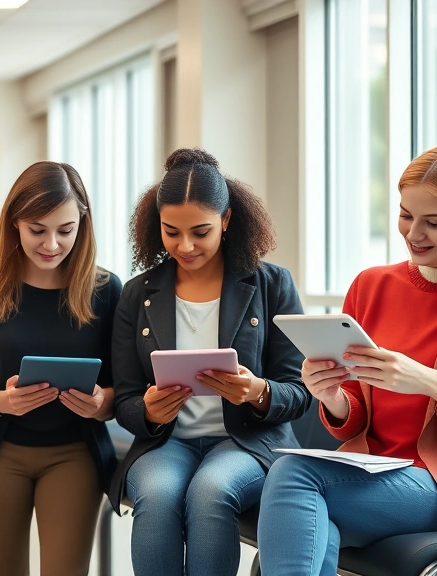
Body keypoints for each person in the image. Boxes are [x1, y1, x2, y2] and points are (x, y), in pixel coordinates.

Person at [257, 145, 437, 576]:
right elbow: (355, 417)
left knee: (295, 476)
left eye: (434, 222)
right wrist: (331, 397)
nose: (413, 233)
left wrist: (435, 384)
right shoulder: (371, 285)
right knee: (313, 520)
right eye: (406, 215)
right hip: (373, 470)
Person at [111, 148, 311, 576]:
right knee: (159, 495)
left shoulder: (272, 284)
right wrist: (146, 410)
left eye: (200, 231)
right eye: (171, 232)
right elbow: (125, 398)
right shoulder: (137, 293)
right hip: (168, 443)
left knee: (210, 491)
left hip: (248, 442)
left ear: (226, 219)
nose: (185, 246)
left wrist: (258, 391)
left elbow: (300, 391)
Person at [0, 161, 121, 576]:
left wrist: (99, 402)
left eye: (66, 230)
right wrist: (1, 401)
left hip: (75, 454)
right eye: (37, 230)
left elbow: (122, 391)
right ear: (14, 223)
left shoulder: (106, 290)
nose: (52, 244)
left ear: (83, 224)